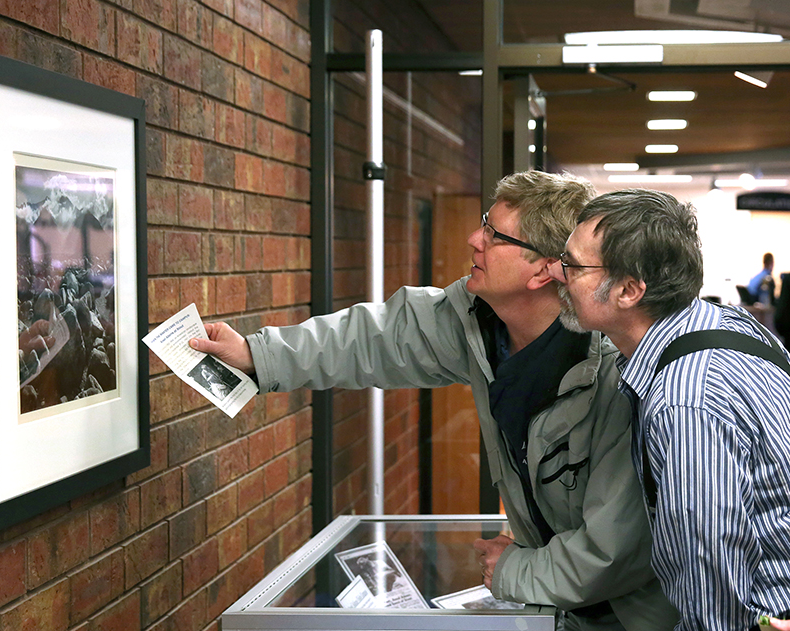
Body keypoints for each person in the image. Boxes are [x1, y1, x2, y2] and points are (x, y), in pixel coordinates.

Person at [190, 171, 677, 631]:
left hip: (631, 616)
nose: (474, 239)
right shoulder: (472, 319)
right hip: (555, 602)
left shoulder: (618, 370)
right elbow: (372, 339)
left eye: (496, 235)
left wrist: (515, 569)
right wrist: (257, 354)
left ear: (544, 271)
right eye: (485, 224)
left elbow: (617, 548)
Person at [549, 188, 790, 631]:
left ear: (628, 290)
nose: (554, 273)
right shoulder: (728, 326)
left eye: (572, 265)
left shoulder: (685, 402)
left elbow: (712, 591)